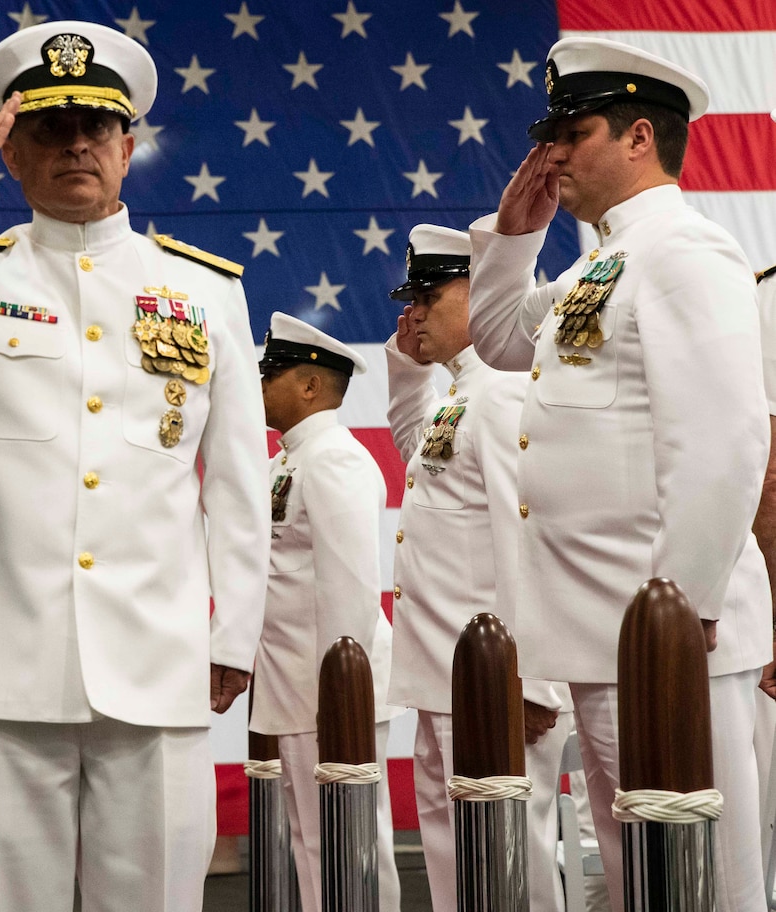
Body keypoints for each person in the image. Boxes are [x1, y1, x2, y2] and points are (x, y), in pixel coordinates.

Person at [0, 19, 267, 911]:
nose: (75, 145)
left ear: (128, 145)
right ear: (12, 157)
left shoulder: (204, 291)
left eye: (94, 129)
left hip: (156, 662)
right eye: (47, 131)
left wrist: (232, 637)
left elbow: (238, 483)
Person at [466, 36, 770, 910]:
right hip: (605, 635)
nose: (551, 152)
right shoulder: (600, 265)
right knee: (642, 878)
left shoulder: (684, 252)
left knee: (705, 882)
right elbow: (498, 342)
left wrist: (683, 612)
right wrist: (514, 240)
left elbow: (723, 441)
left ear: (640, 137)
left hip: (669, 640)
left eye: (573, 129)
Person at [384, 225, 572, 911]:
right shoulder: (464, 395)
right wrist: (406, 367)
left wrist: (535, 682)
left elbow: (529, 538)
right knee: (455, 870)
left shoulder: (503, 394)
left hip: (496, 686)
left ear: (486, 292)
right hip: (449, 681)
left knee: (507, 871)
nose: (416, 311)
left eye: (432, 295)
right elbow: (417, 456)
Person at [250, 313, 401, 912]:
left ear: (310, 386)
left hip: (329, 690)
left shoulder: (333, 457)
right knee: (313, 846)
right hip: (296, 687)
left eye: (273, 373)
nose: (261, 384)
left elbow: (352, 588)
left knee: (349, 845)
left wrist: (342, 693)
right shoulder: (288, 460)